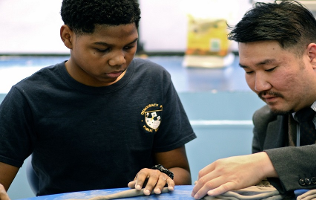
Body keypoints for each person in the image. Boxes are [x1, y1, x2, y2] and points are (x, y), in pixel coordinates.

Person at [0, 0, 196, 198]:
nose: (119, 60)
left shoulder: (154, 80)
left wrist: (162, 175)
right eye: (103, 49)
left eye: (129, 46)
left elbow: (179, 172)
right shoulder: (29, 97)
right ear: (68, 37)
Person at [191, 0, 316, 199]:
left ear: (312, 56)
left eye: (270, 69)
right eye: (249, 71)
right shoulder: (265, 121)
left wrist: (267, 162)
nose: (259, 86)